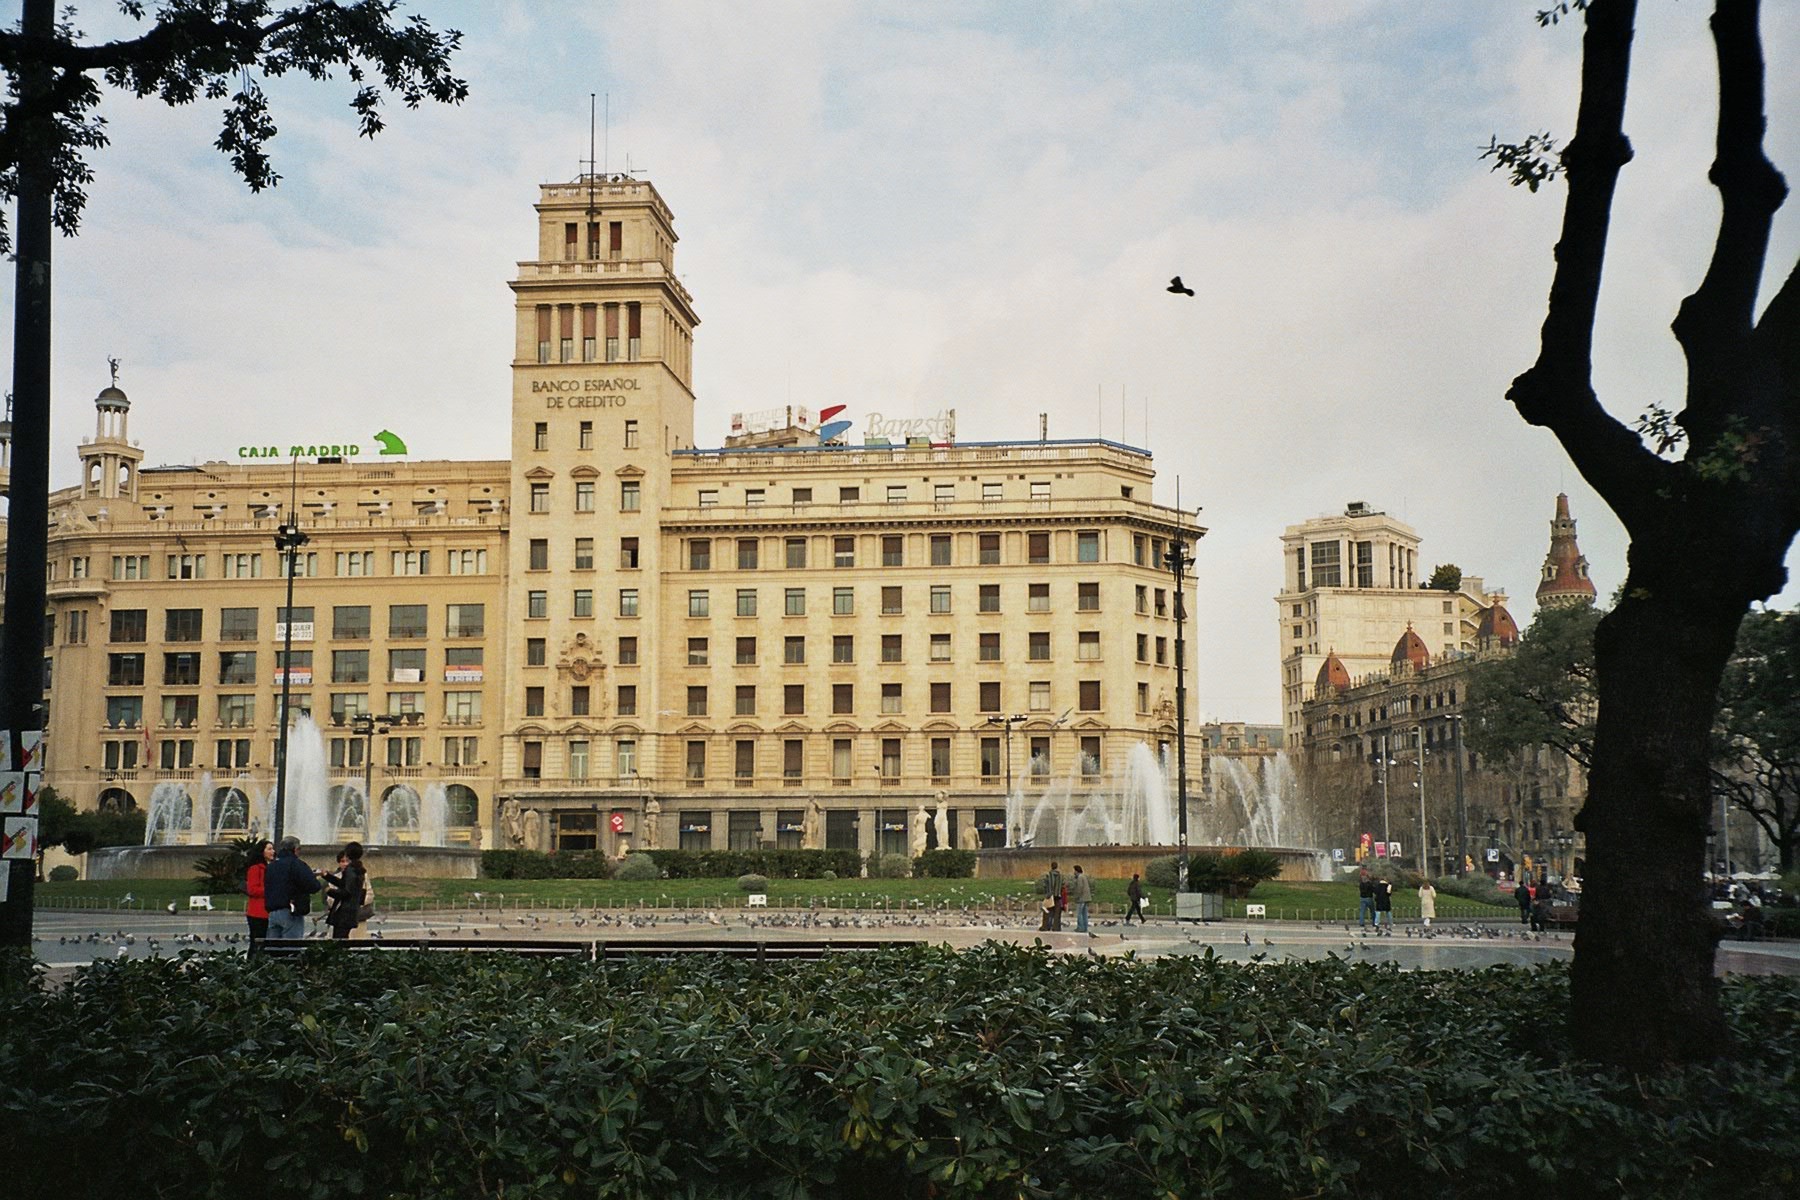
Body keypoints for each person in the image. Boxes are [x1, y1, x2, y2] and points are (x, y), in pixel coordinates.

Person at [263, 836, 320, 941]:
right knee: (291, 948)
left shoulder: (271, 866)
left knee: (273, 949)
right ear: (295, 849)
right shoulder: (296, 864)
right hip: (291, 911)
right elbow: (314, 886)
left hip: (272, 912)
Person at [322, 842, 370, 941]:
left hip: (343, 912)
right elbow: (344, 884)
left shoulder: (350, 870)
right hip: (351, 911)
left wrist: (329, 891)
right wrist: (327, 876)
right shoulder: (358, 869)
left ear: (348, 854)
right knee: (342, 939)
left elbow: (346, 892)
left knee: (339, 940)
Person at [244, 838, 272, 952]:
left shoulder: (269, 867)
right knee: (256, 944)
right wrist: (271, 891)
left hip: (267, 912)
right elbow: (252, 890)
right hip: (257, 913)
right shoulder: (255, 869)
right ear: (262, 852)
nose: (273, 851)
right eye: (269, 849)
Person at [1040, 861, 1065, 932]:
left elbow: (1045, 885)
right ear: (1057, 867)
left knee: (1047, 912)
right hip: (1058, 896)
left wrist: (1047, 893)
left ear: (1051, 866)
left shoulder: (1048, 875)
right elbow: (1063, 885)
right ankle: (1056, 927)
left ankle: (1046, 926)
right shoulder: (1060, 875)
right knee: (1057, 913)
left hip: (1050, 896)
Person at [1068, 864, 1093, 934]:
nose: (1074, 872)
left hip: (1081, 898)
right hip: (1086, 898)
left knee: (1079, 913)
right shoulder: (1084, 877)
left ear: (1077, 871)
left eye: (1074, 871)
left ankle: (1080, 927)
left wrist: (1076, 897)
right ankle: (1085, 927)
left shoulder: (1079, 877)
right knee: (1084, 913)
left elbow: (1079, 888)